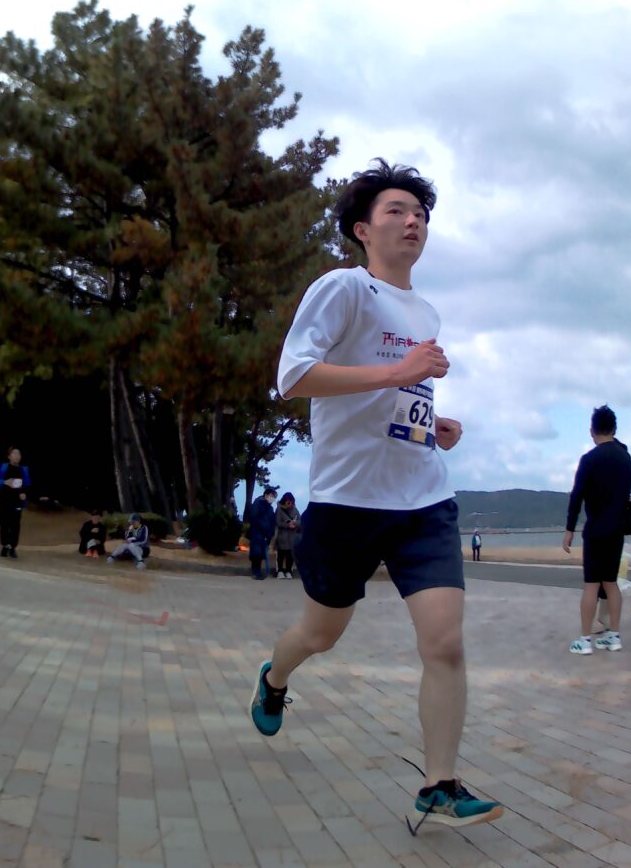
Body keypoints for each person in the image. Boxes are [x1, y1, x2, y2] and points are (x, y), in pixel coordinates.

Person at [249, 159, 503, 831]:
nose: (412, 220)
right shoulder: (345, 288)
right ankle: (274, 678)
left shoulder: (426, 309)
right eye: (397, 210)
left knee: (445, 643)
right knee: (320, 633)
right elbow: (293, 376)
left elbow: (401, 391)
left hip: (423, 500)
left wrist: (431, 426)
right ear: (363, 229)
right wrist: (397, 373)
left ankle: (439, 785)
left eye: (420, 213)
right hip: (348, 501)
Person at [563, 405, 631, 654]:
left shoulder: (589, 460)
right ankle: (614, 636)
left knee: (591, 585)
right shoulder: (625, 458)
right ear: (614, 428)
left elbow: (577, 496)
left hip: (595, 531)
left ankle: (585, 640)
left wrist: (569, 529)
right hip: (617, 530)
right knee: (611, 583)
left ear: (592, 430)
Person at [0, 447, 30, 559]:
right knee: (4, 523)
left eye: (19, 454)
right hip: (4, 500)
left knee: (15, 525)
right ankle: (5, 545)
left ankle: (12, 547)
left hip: (17, 502)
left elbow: (27, 485)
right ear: (9, 456)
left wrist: (24, 494)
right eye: (14, 453)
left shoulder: (23, 470)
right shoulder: (3, 468)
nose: (17, 456)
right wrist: (4, 482)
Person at [248, 488, 277, 580]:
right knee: (256, 553)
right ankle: (255, 571)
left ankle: (258, 572)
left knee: (261, 554)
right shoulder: (258, 503)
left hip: (266, 535)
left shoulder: (270, 508)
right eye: (271, 496)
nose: (272, 498)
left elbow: (272, 522)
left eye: (274, 496)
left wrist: (270, 533)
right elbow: (254, 517)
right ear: (266, 495)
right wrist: (261, 527)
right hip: (256, 533)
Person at [275, 493, 301, 579]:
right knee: (281, 555)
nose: (289, 503)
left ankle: (289, 571)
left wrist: (295, 524)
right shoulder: (279, 509)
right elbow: (278, 522)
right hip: (282, 536)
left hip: (292, 537)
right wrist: (287, 525)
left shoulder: (295, 509)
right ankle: (280, 571)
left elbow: (300, 520)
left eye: (291, 501)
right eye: (288, 501)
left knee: (290, 555)